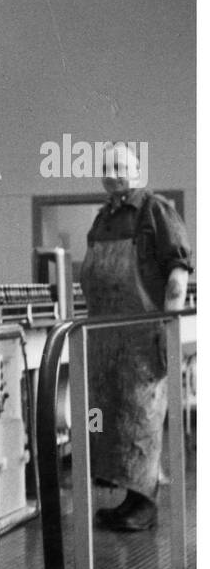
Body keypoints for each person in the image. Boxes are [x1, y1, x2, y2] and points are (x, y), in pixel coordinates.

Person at [81, 142, 192, 532]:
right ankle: (124, 494)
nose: (113, 172)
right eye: (106, 166)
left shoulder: (155, 210)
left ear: (138, 169)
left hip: (144, 336)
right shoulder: (103, 218)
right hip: (105, 337)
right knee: (105, 416)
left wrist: (169, 326)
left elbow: (179, 272)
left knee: (141, 418)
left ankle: (144, 503)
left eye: (121, 165)